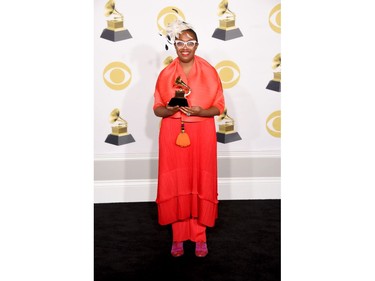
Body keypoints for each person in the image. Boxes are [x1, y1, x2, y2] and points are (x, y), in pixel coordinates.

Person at [153, 20, 225, 258]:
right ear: (174, 44)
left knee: (199, 182)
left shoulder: (210, 72)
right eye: (180, 42)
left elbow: (218, 107)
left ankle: (199, 236)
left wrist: (201, 112)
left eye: (190, 43)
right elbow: (157, 109)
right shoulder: (165, 74)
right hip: (173, 133)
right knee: (178, 182)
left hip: (202, 131)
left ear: (197, 45)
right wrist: (171, 110)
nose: (185, 47)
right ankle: (179, 237)